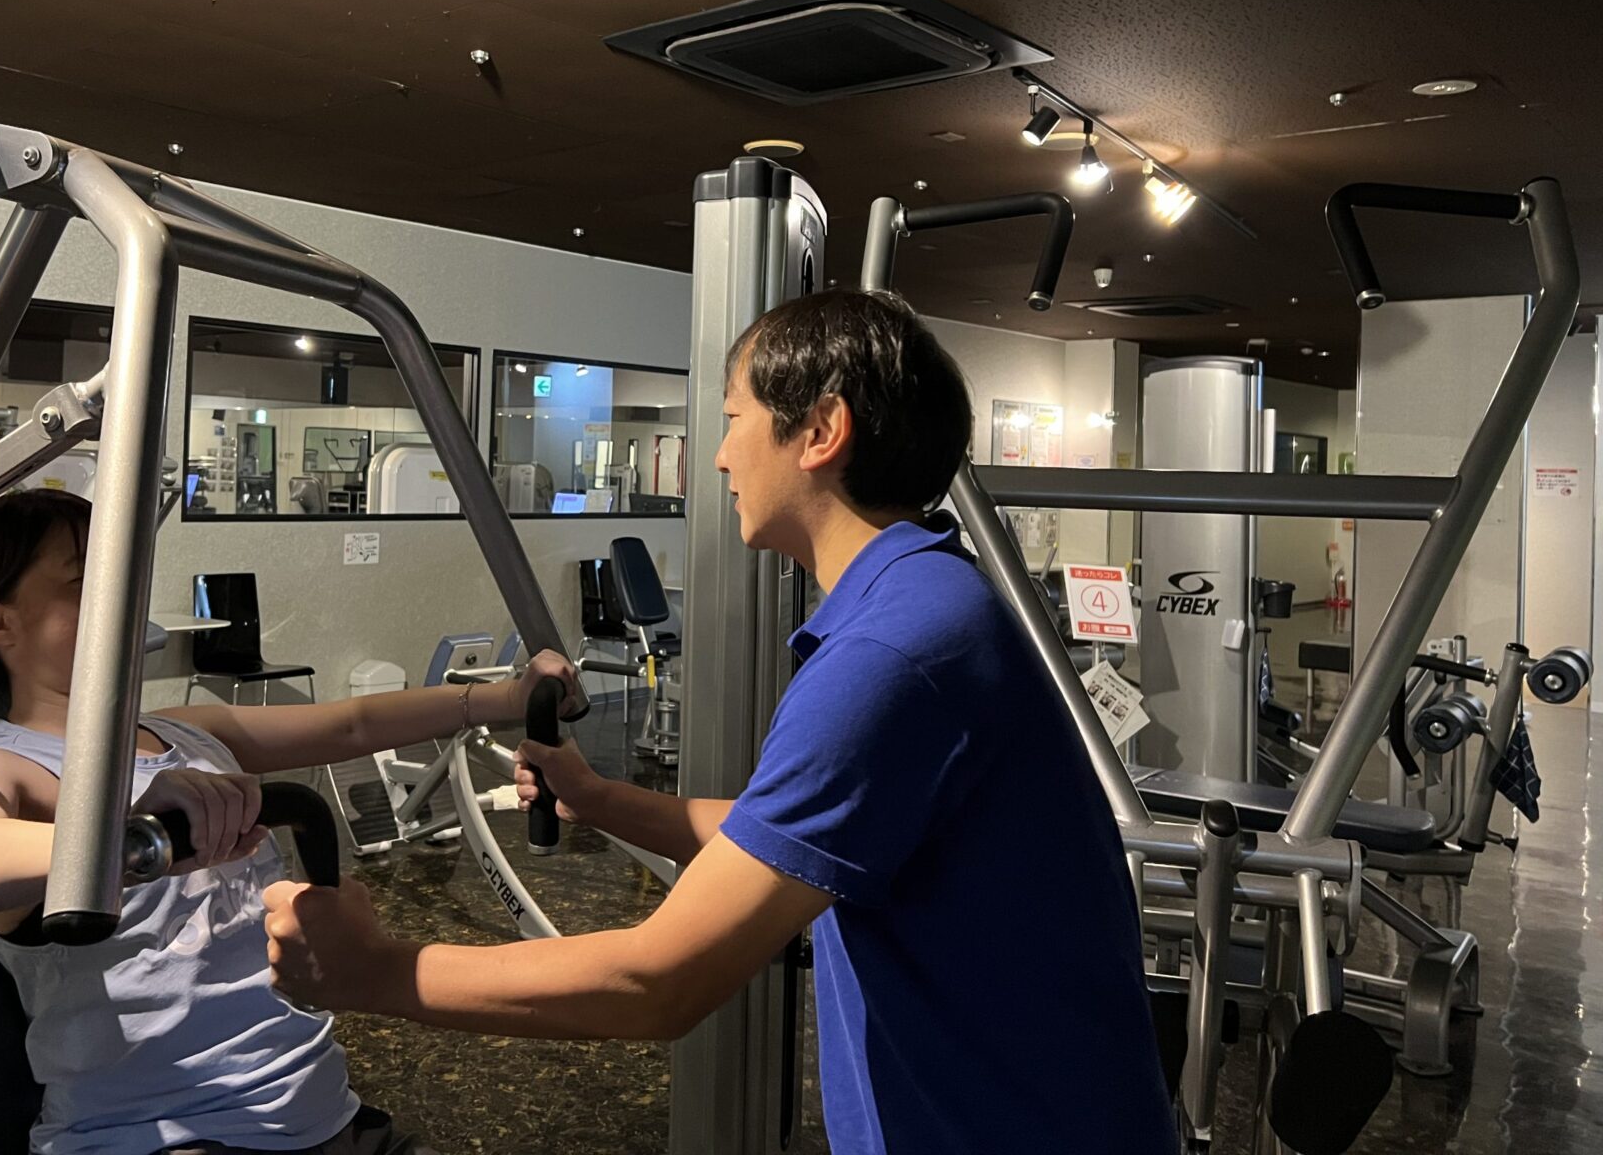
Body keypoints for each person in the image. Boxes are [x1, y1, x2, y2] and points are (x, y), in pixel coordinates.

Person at [262, 290, 1176, 1154]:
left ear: (820, 431)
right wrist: (601, 799)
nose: (721, 456)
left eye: (735, 418)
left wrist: (373, 971)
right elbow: (785, 839)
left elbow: (657, 982)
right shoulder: (923, 601)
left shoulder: (892, 652)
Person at [0, 487, 582, 1155]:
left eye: (123, 574)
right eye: (83, 580)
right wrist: (132, 836)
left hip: (323, 1114)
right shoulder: (9, 769)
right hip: (154, 1138)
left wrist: (508, 697)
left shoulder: (186, 733)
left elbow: (352, 724)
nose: (121, 597)